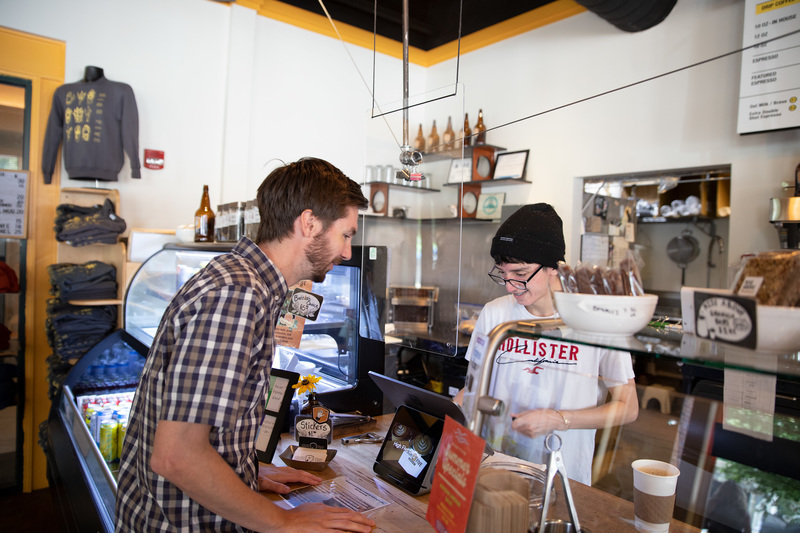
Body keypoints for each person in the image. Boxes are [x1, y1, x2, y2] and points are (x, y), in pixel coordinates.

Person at [115, 158, 376, 532]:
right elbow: (176, 456)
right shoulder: (238, 293)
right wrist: (282, 521)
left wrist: (243, 473)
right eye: (346, 234)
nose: (348, 251)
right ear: (309, 223)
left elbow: (203, 434)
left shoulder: (243, 280)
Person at [454, 203, 638, 486]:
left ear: (554, 267)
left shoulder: (597, 319)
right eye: (503, 273)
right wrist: (450, 411)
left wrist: (558, 419)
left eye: (520, 274)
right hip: (495, 467)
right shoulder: (495, 313)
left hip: (562, 475)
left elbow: (628, 407)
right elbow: (474, 387)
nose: (510, 285)